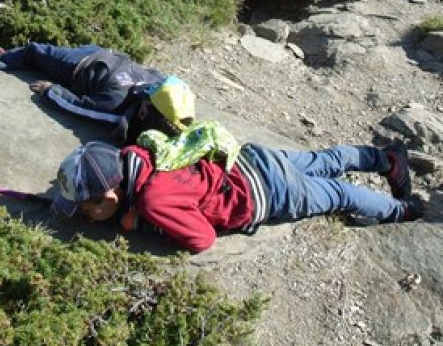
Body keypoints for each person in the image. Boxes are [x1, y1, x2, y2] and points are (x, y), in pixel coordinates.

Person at [50, 138, 424, 253]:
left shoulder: (151, 201)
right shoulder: (137, 154)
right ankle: (385, 160)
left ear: (110, 197)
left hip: (271, 192)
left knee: (339, 193)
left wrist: (142, 224)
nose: (83, 216)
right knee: (323, 161)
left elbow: (202, 239)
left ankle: (403, 211)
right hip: (252, 159)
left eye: (85, 208)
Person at [0, 43, 195, 143]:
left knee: (36, 52)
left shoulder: (115, 106)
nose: (151, 87)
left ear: (143, 111)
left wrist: (51, 91)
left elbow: (79, 107)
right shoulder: (163, 93)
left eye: (151, 93)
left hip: (80, 66)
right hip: (109, 56)